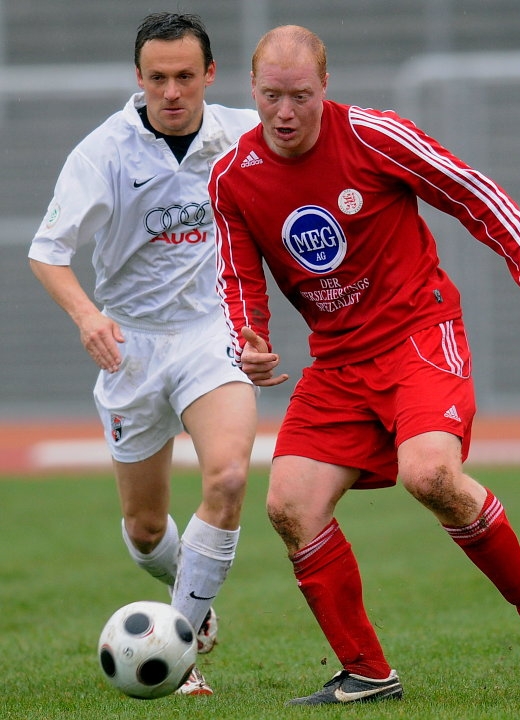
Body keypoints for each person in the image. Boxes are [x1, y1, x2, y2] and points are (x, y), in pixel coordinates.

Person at [209, 24, 520, 705]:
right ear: (253, 90)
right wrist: (250, 338)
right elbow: (238, 274)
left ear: (324, 87)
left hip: (418, 335)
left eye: (299, 95)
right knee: (289, 504)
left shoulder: (374, 135)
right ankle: (366, 673)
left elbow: (471, 190)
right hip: (337, 365)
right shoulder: (234, 177)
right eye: (271, 96)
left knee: (429, 474)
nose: (285, 112)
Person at [29, 12, 259, 696]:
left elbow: (316, 149)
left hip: (207, 333)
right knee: (145, 525)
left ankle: (179, 650)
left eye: (185, 76)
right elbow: (48, 252)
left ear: (209, 75)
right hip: (129, 345)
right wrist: (87, 315)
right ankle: (191, 593)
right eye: (157, 77)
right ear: (138, 79)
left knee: (225, 478)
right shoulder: (104, 150)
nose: (172, 90)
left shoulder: (239, 133)